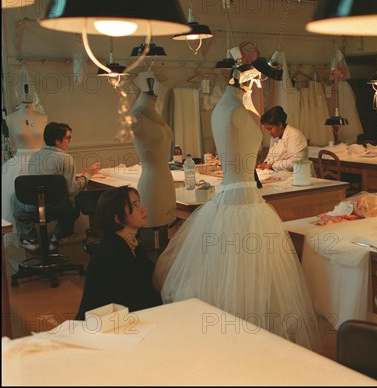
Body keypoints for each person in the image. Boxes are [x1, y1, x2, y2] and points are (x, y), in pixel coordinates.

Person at [154, 63, 321, 351]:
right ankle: (239, 342)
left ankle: (247, 339)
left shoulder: (223, 109)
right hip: (243, 200)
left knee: (241, 272)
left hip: (238, 197)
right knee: (241, 271)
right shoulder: (236, 112)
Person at [76, 185, 162, 320]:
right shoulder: (113, 253)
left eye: (139, 202)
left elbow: (149, 274)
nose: (142, 209)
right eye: (134, 206)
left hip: (121, 316)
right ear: (117, 218)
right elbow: (138, 297)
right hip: (101, 326)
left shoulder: (130, 241)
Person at [14, 122, 100, 251]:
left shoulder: (34, 157)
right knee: (75, 204)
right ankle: (56, 237)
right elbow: (71, 190)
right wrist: (87, 175)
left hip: (32, 208)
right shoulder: (66, 159)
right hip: (55, 208)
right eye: (68, 138)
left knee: (14, 200)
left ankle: (31, 238)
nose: (70, 141)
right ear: (58, 141)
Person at [131, 81, 177, 228]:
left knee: (167, 225)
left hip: (167, 180)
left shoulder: (155, 113)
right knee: (154, 225)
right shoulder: (136, 117)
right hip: (151, 183)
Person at [2, 102, 48, 226]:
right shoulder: (11, 118)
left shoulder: (43, 117)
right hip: (18, 163)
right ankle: (27, 235)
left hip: (40, 161)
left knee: (46, 195)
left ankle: (47, 234)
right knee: (17, 198)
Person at [257, 106, 308, 172]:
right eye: (267, 129)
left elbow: (296, 163)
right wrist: (264, 164)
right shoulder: (274, 137)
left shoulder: (295, 136)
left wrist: (271, 166)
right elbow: (270, 156)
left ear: (280, 125)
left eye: (270, 129)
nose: (269, 132)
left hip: (298, 176)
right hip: (279, 174)